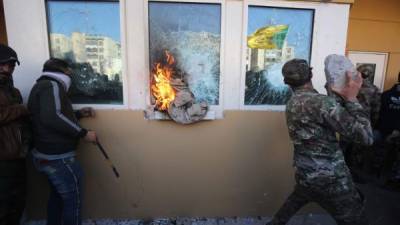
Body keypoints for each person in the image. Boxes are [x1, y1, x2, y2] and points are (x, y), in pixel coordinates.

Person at [267, 58, 373, 225]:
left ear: (287, 82)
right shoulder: (323, 103)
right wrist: (352, 99)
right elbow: (366, 137)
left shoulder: (293, 103)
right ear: (311, 74)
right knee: (356, 220)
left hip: (306, 175)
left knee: (284, 215)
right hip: (332, 180)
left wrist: (332, 93)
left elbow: (319, 111)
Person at [28, 58, 97, 225]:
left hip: (45, 155)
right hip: (58, 158)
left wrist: (79, 114)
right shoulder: (51, 85)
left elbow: (49, 114)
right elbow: (52, 117)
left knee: (57, 198)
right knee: (73, 202)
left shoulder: (41, 86)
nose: (71, 77)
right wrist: (83, 133)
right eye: (69, 72)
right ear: (63, 72)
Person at [0, 44, 30, 225]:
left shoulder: (12, 90)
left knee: (18, 202)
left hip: (18, 156)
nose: (6, 69)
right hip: (2, 159)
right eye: (2, 64)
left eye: (11, 65)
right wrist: (19, 110)